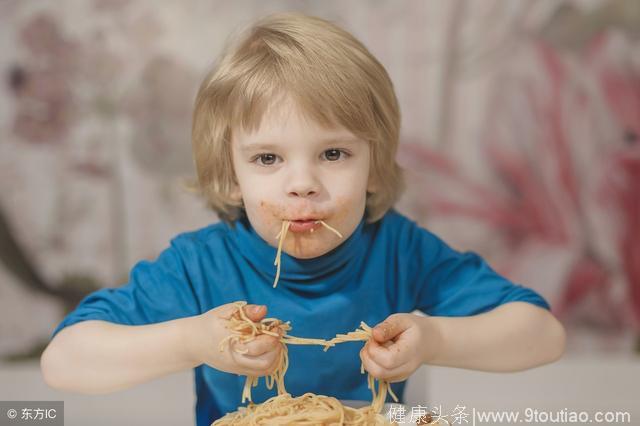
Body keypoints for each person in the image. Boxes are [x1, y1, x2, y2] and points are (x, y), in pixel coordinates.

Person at [40, 12, 566, 425]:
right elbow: (63, 361)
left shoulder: (401, 251)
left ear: (374, 168)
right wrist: (194, 342)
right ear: (229, 176)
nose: (302, 183)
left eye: (333, 154)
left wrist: (436, 340)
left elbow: (542, 335)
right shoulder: (200, 266)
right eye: (268, 158)